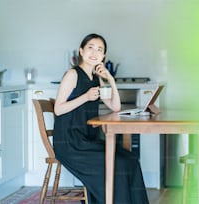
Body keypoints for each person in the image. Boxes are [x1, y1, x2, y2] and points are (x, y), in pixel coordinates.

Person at [53, 33, 149, 204]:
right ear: (81, 51)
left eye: (100, 50)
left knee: (131, 159)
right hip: (71, 144)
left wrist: (110, 79)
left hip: (88, 140)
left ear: (103, 56)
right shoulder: (72, 74)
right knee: (118, 164)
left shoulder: (96, 79)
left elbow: (115, 106)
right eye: (90, 47)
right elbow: (58, 109)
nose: (94, 53)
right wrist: (85, 97)